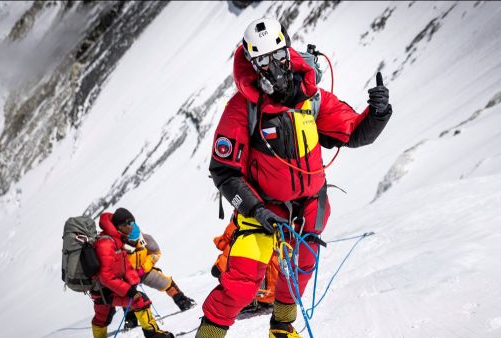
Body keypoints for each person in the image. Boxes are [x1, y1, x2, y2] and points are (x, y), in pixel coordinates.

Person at [196, 17, 392, 338]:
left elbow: (355, 133)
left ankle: (282, 328)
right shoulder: (242, 109)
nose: (273, 66)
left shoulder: (312, 98)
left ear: (288, 49)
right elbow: (224, 171)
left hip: (311, 203)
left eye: (277, 55)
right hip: (261, 210)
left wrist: (378, 113)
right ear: (251, 62)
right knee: (242, 283)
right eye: (262, 60)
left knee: (300, 269)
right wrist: (255, 209)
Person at [91, 207, 173, 338]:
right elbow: (105, 276)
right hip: (104, 292)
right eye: (129, 223)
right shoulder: (106, 243)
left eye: (133, 223)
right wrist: (129, 291)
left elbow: (126, 266)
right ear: (120, 225)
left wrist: (133, 282)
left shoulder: (117, 240)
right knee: (140, 300)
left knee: (102, 319)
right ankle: (153, 334)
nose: (132, 226)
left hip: (105, 290)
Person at [123, 222, 196, 329]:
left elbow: (156, 253)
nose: (133, 242)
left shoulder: (146, 239)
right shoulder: (118, 242)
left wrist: (144, 267)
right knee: (125, 293)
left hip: (144, 271)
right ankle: (130, 319)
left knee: (165, 283)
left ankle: (183, 301)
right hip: (126, 276)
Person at [210, 219, 280, 312]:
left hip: (258, 293)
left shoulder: (241, 226)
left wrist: (221, 242)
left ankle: (249, 300)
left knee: (228, 269)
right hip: (278, 293)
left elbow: (217, 268)